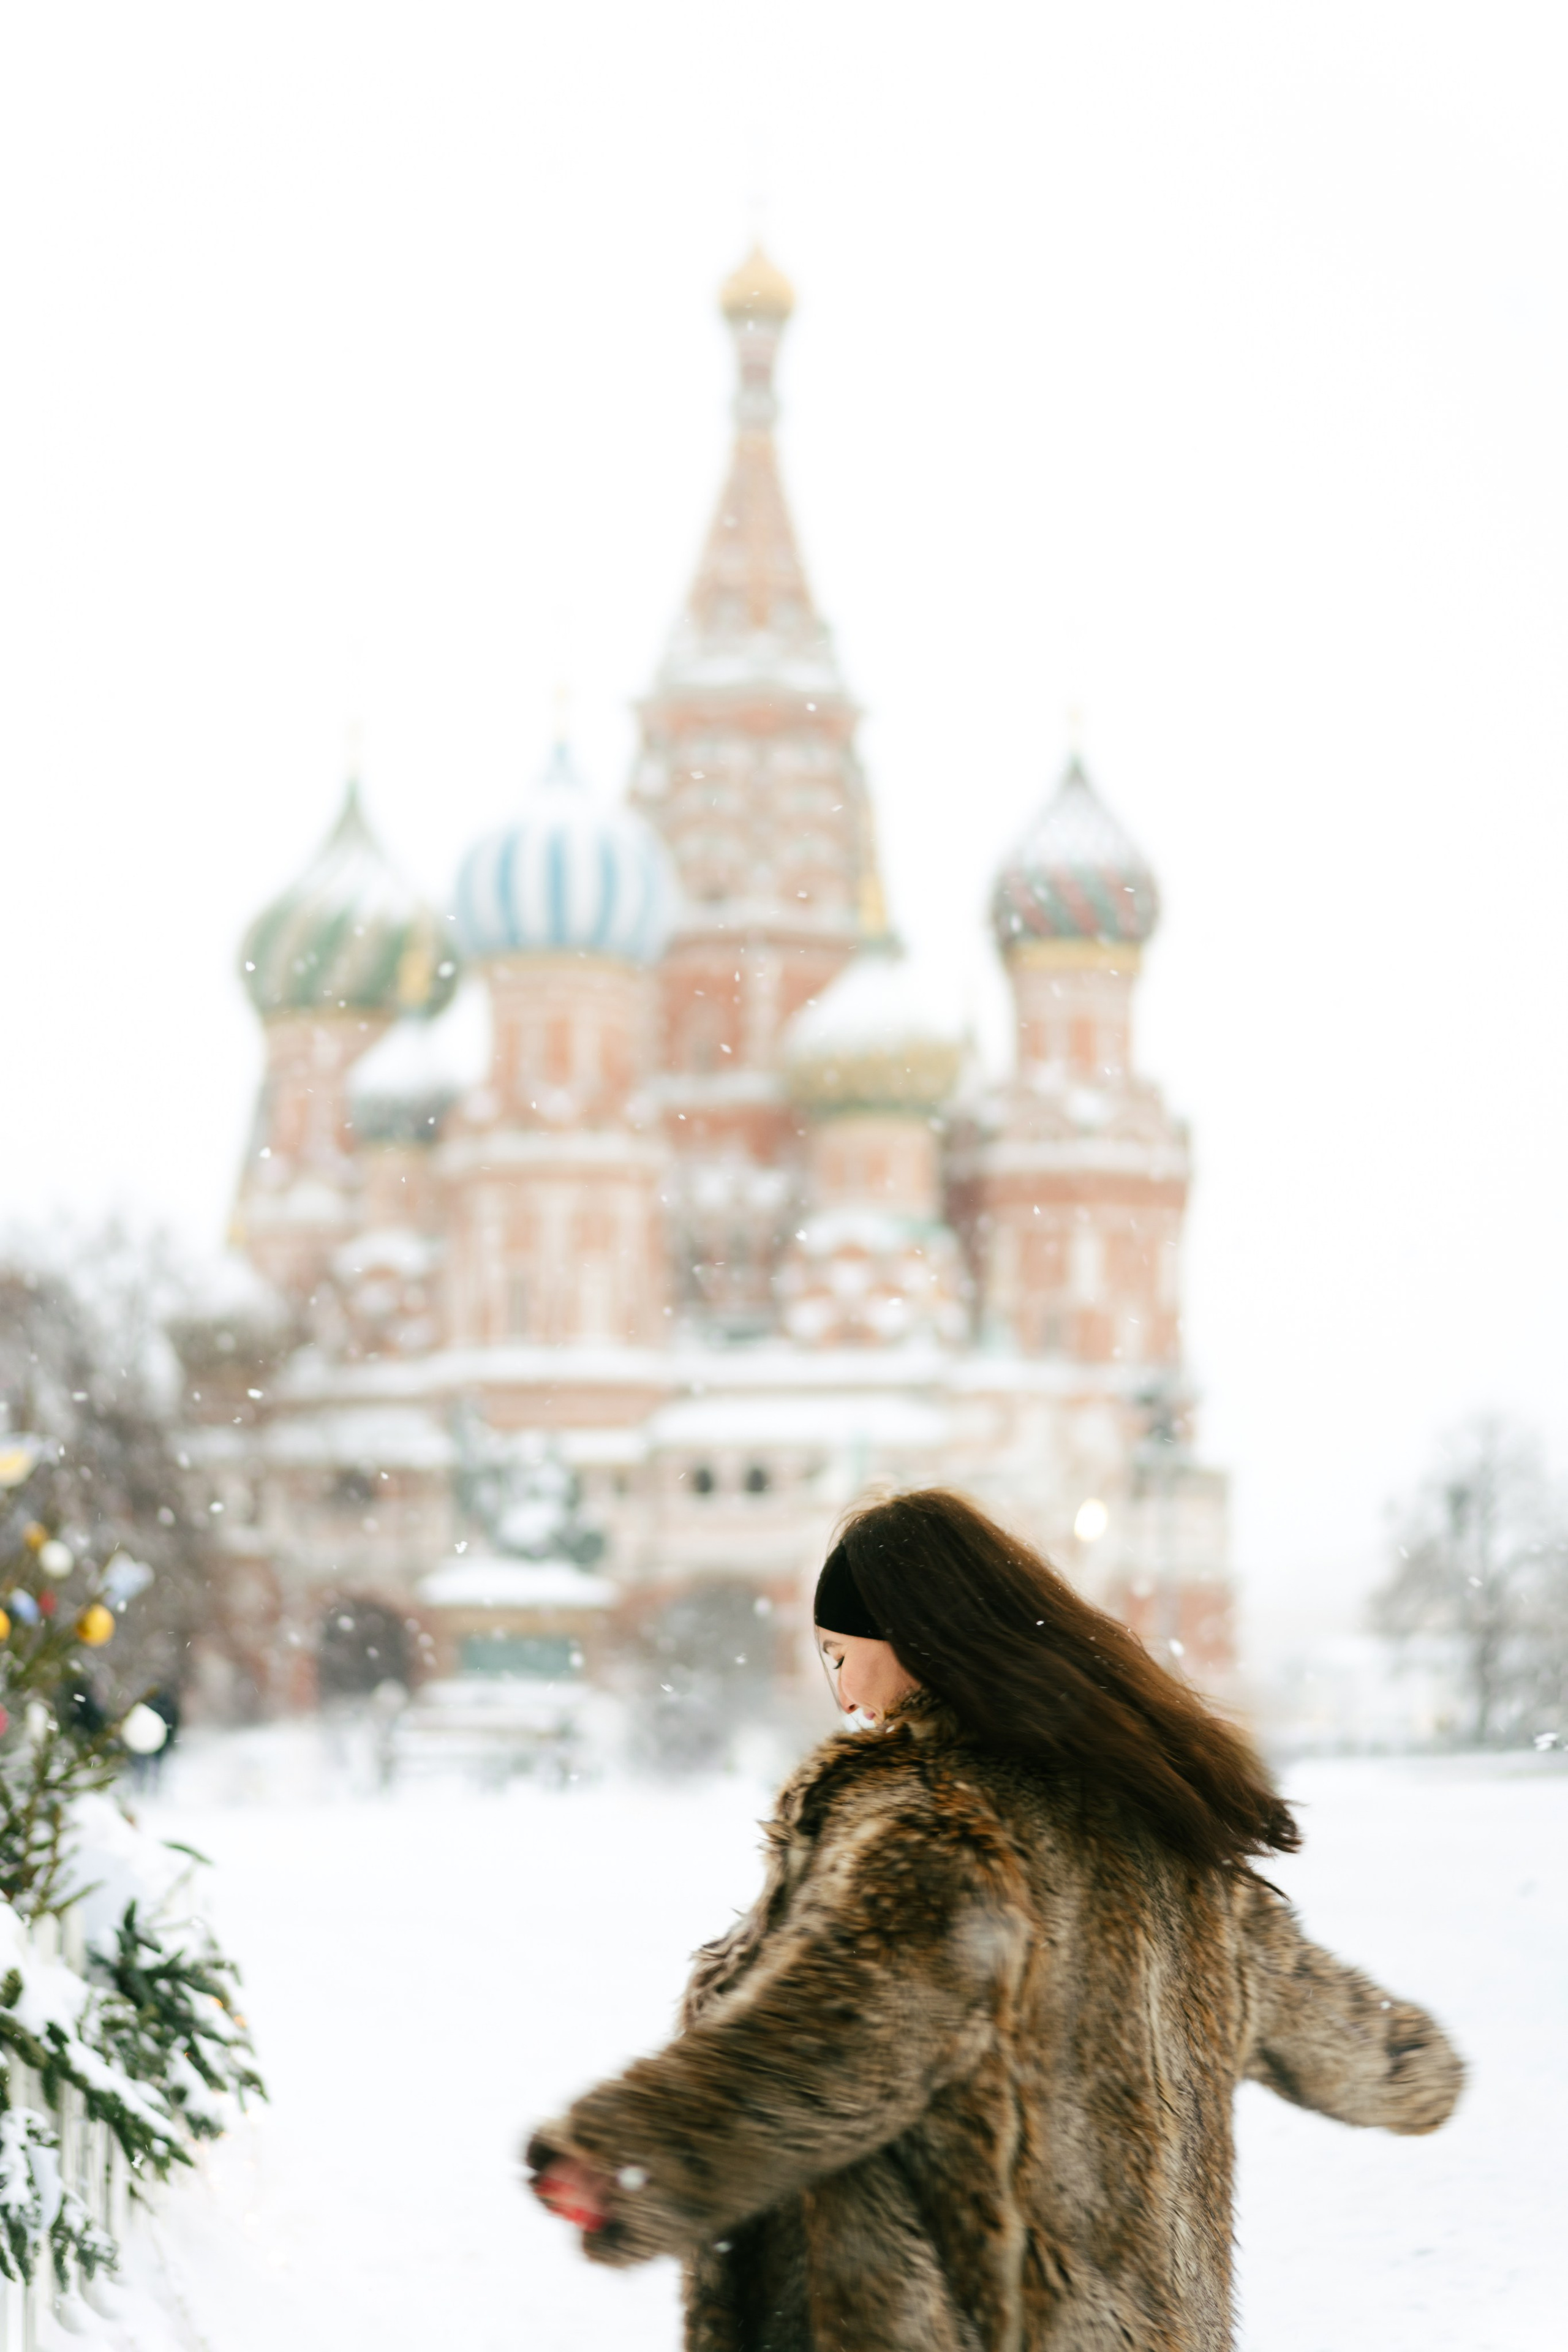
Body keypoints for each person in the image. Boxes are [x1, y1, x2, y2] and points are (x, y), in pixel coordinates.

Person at [527, 1489, 1461, 2351]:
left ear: (911, 1639)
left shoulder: (939, 1831)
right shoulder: (1168, 1845)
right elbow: (1331, 2022)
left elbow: (830, 2041)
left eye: (841, 1655)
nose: (844, 1697)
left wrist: (629, 2154)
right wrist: (1415, 2067)